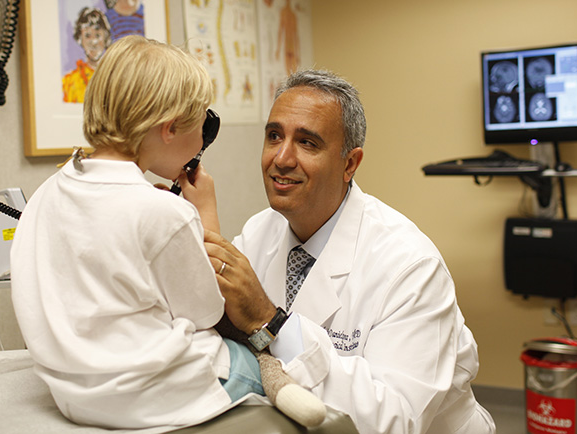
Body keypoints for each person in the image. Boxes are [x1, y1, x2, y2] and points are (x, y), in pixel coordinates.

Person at [11, 35, 321, 431]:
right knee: (259, 358)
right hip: (158, 395)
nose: (201, 144)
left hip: (76, 396)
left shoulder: (47, 192)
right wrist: (203, 214)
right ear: (171, 128)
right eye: (199, 128)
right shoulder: (163, 211)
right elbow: (210, 313)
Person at [200, 69, 497, 434]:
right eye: (274, 136)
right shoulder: (259, 232)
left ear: (350, 163)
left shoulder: (410, 265)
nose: (282, 158)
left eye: (307, 143)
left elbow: (395, 419)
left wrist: (271, 322)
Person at [62, 8, 111, 103]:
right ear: (80, 39)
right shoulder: (69, 81)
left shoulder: (116, 78)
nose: (94, 42)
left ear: (106, 37)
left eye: (97, 35)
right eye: (88, 36)